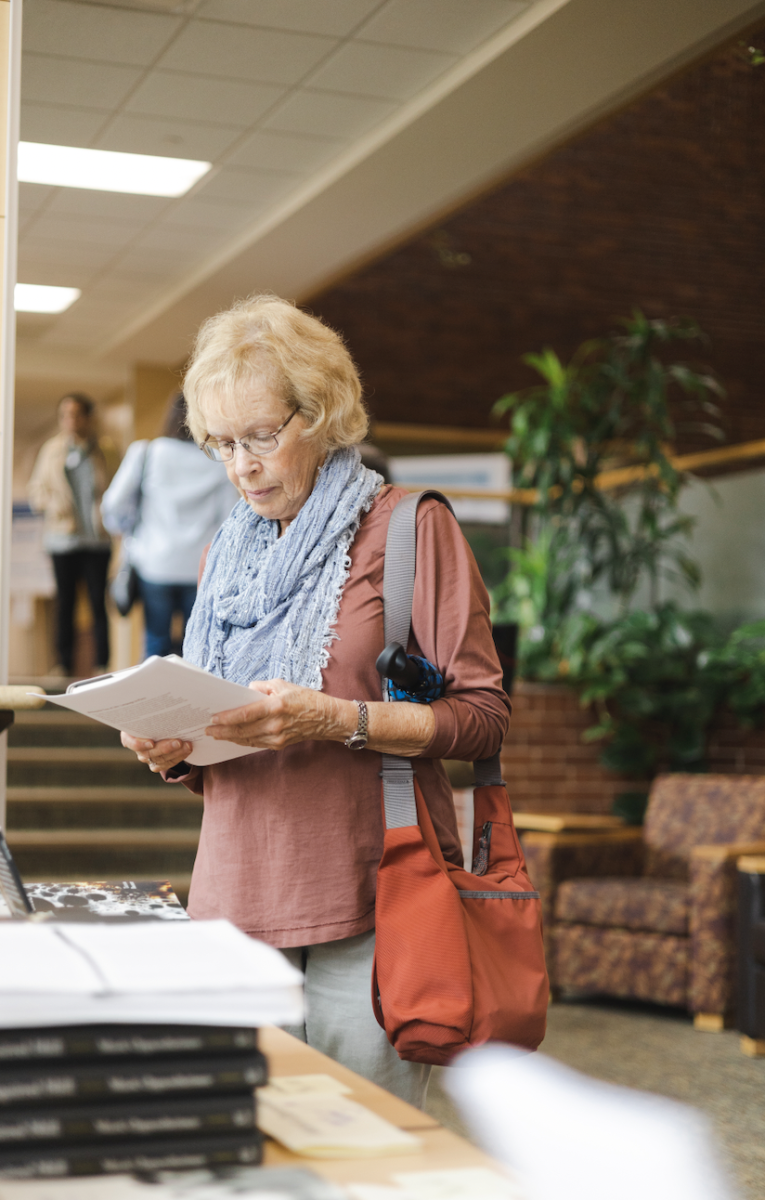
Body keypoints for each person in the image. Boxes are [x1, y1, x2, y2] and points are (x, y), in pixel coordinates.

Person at [120, 296, 510, 1106]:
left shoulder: (410, 529)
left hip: (374, 895)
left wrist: (337, 719)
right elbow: (221, 723)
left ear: (324, 413)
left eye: (262, 436)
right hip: (232, 891)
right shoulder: (223, 551)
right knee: (248, 1160)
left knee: (361, 1158)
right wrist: (173, 744)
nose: (242, 465)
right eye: (222, 444)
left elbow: (482, 718)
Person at [101, 394, 238, 658]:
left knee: (155, 643)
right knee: (196, 649)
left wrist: (125, 529)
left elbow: (113, 505)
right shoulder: (219, 460)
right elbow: (228, 519)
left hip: (155, 565)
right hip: (200, 569)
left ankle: (152, 699)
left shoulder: (147, 453)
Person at [27, 392, 113, 676]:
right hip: (63, 540)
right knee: (65, 604)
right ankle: (63, 664)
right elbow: (36, 492)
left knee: (98, 603)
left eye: (77, 414)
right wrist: (55, 504)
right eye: (65, 415)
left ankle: (102, 664)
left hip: (97, 540)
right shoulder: (51, 451)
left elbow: (116, 490)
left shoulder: (105, 451)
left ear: (87, 418)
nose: (70, 420)